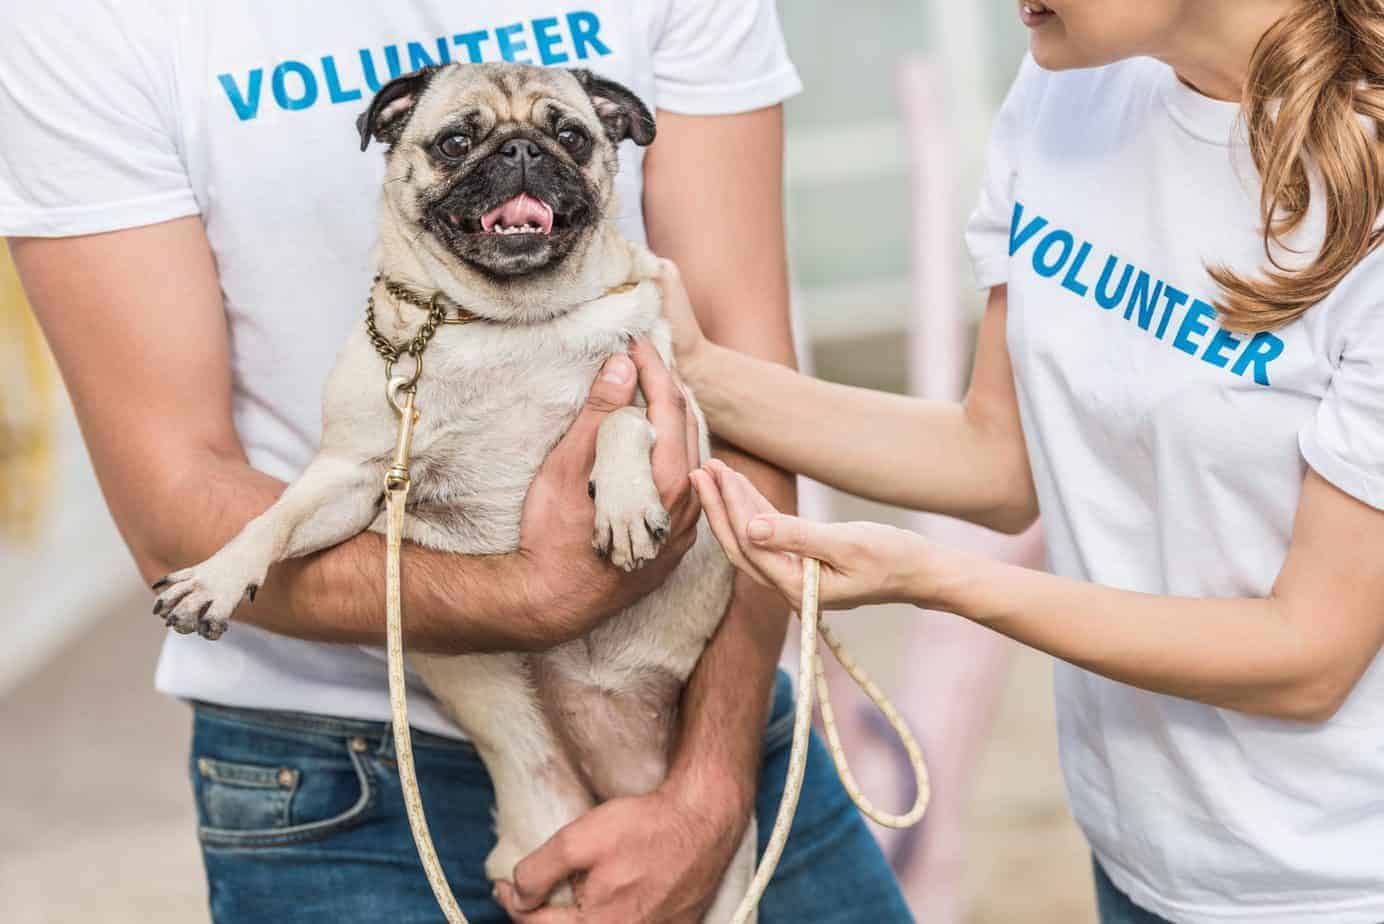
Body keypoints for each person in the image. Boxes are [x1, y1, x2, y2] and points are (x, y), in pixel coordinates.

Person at [0, 2, 911, 922]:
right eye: (464, 145)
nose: (516, 164)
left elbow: (753, 400)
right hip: (331, 767)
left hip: (707, 714)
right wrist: (535, 595)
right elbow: (172, 506)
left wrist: (710, 786)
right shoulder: (89, 24)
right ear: (394, 144)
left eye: (557, 139)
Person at [632, 1, 1384, 922]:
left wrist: (931, 579)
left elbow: (1308, 655)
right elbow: (997, 458)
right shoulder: (1071, 90)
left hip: (1337, 883)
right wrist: (697, 368)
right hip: (1141, 860)